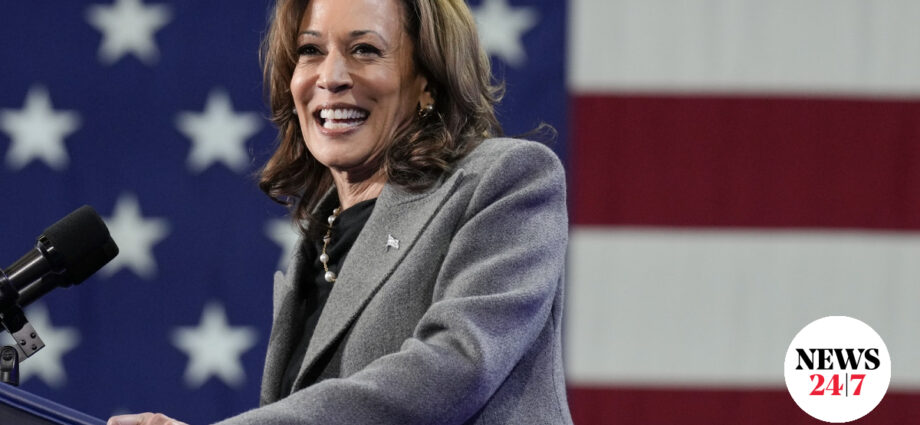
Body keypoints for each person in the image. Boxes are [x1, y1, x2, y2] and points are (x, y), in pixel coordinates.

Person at [108, 0, 571, 424]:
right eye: (310, 51)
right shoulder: (321, 236)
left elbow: (456, 365)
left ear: (427, 81)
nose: (330, 77)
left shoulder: (505, 179)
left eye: (365, 50)